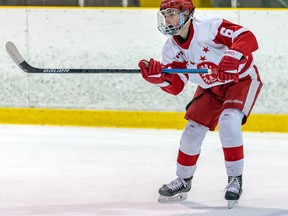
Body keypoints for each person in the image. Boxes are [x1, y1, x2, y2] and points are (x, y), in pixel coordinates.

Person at [138, 0, 263, 208]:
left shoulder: (209, 27)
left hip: (240, 80)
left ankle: (235, 179)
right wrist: (158, 78)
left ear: (186, 13)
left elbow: (247, 37)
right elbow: (176, 84)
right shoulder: (171, 48)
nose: (167, 19)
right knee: (192, 130)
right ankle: (183, 180)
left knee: (229, 120)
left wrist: (233, 54)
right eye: (165, 15)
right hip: (210, 88)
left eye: (171, 14)